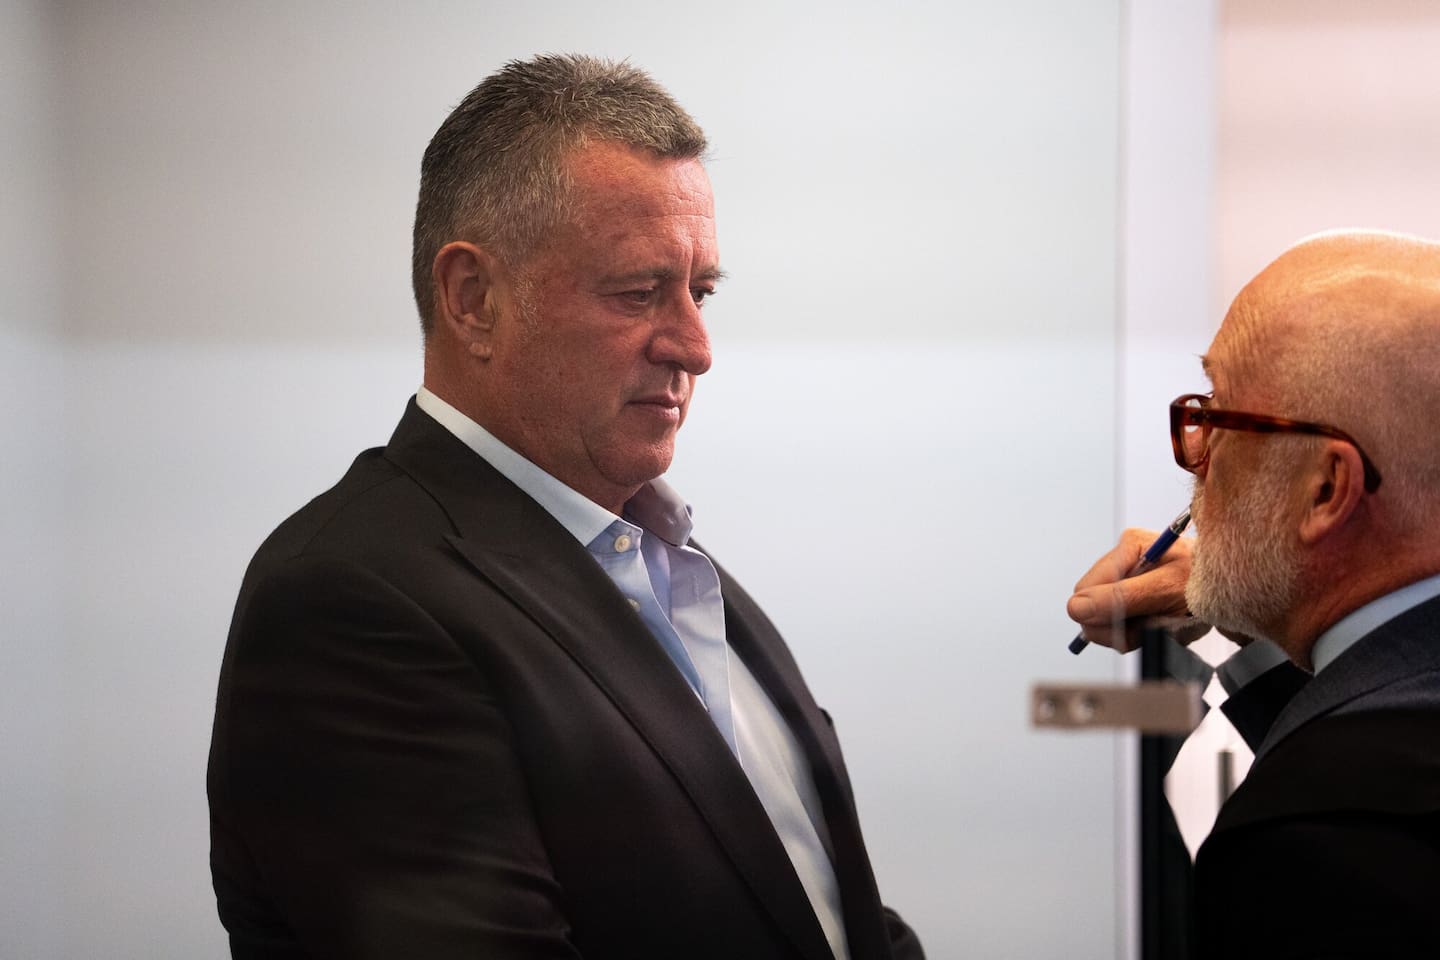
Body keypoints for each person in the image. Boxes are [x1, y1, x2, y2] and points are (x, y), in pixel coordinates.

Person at [207, 54, 923, 960]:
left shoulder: (669, 562)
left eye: (700, 292)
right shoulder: (348, 600)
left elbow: (829, 910)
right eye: (639, 292)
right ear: (474, 300)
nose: (697, 347)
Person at [1067, 231, 1440, 958]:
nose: (1196, 456)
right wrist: (1263, 606)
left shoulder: (1321, 833)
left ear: (1327, 488)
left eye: (1220, 419)